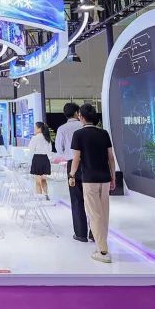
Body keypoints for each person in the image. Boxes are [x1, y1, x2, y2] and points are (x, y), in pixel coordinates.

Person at [69, 103, 117, 263]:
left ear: (81, 117)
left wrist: (71, 174)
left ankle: (102, 251)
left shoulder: (78, 134)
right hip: (105, 178)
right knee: (104, 213)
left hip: (89, 179)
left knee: (94, 214)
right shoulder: (104, 133)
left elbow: (76, 158)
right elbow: (111, 157)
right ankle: (101, 246)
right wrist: (113, 177)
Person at [54, 102, 88, 242]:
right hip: (88, 164)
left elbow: (59, 148)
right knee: (91, 199)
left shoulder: (62, 129)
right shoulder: (83, 126)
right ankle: (94, 232)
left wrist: (68, 154)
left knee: (76, 199)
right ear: (76, 113)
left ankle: (80, 233)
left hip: (72, 164)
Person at [27, 121, 52, 200]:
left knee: (37, 181)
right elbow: (50, 150)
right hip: (45, 159)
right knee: (44, 180)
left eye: (35, 127)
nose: (34, 129)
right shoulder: (47, 138)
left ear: (39, 128)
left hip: (37, 159)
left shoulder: (35, 138)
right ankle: (46, 195)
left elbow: (31, 149)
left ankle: (40, 198)